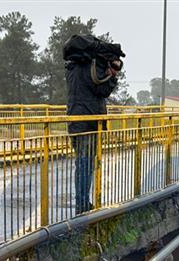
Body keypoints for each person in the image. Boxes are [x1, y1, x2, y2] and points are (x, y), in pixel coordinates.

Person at [65, 35, 123, 214]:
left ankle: (82, 202)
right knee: (87, 164)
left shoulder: (71, 65)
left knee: (81, 163)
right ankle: (82, 205)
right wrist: (112, 76)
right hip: (90, 122)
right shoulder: (93, 66)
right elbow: (102, 90)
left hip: (75, 119)